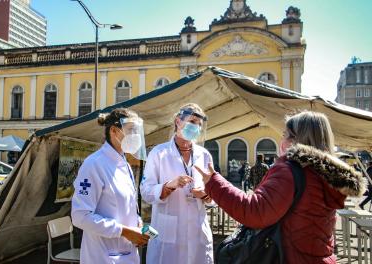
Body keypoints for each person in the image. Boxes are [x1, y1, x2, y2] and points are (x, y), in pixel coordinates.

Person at [195, 111, 365, 264]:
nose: (281, 140)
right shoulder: (327, 176)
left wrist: (214, 182)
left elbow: (255, 211)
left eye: (285, 135)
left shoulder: (290, 170)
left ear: (295, 140)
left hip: (288, 257)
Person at [71, 108, 149, 264]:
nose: (135, 136)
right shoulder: (94, 164)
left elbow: (124, 205)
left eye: (136, 130)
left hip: (127, 253)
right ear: (114, 130)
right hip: (102, 255)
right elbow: (80, 216)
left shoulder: (124, 164)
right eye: (131, 130)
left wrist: (136, 221)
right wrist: (123, 231)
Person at [140, 103, 214, 264]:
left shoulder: (204, 155)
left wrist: (206, 195)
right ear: (178, 121)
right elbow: (145, 192)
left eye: (199, 125)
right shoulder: (158, 153)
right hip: (167, 236)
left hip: (197, 233)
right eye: (192, 121)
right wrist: (168, 186)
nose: (196, 127)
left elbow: (215, 193)